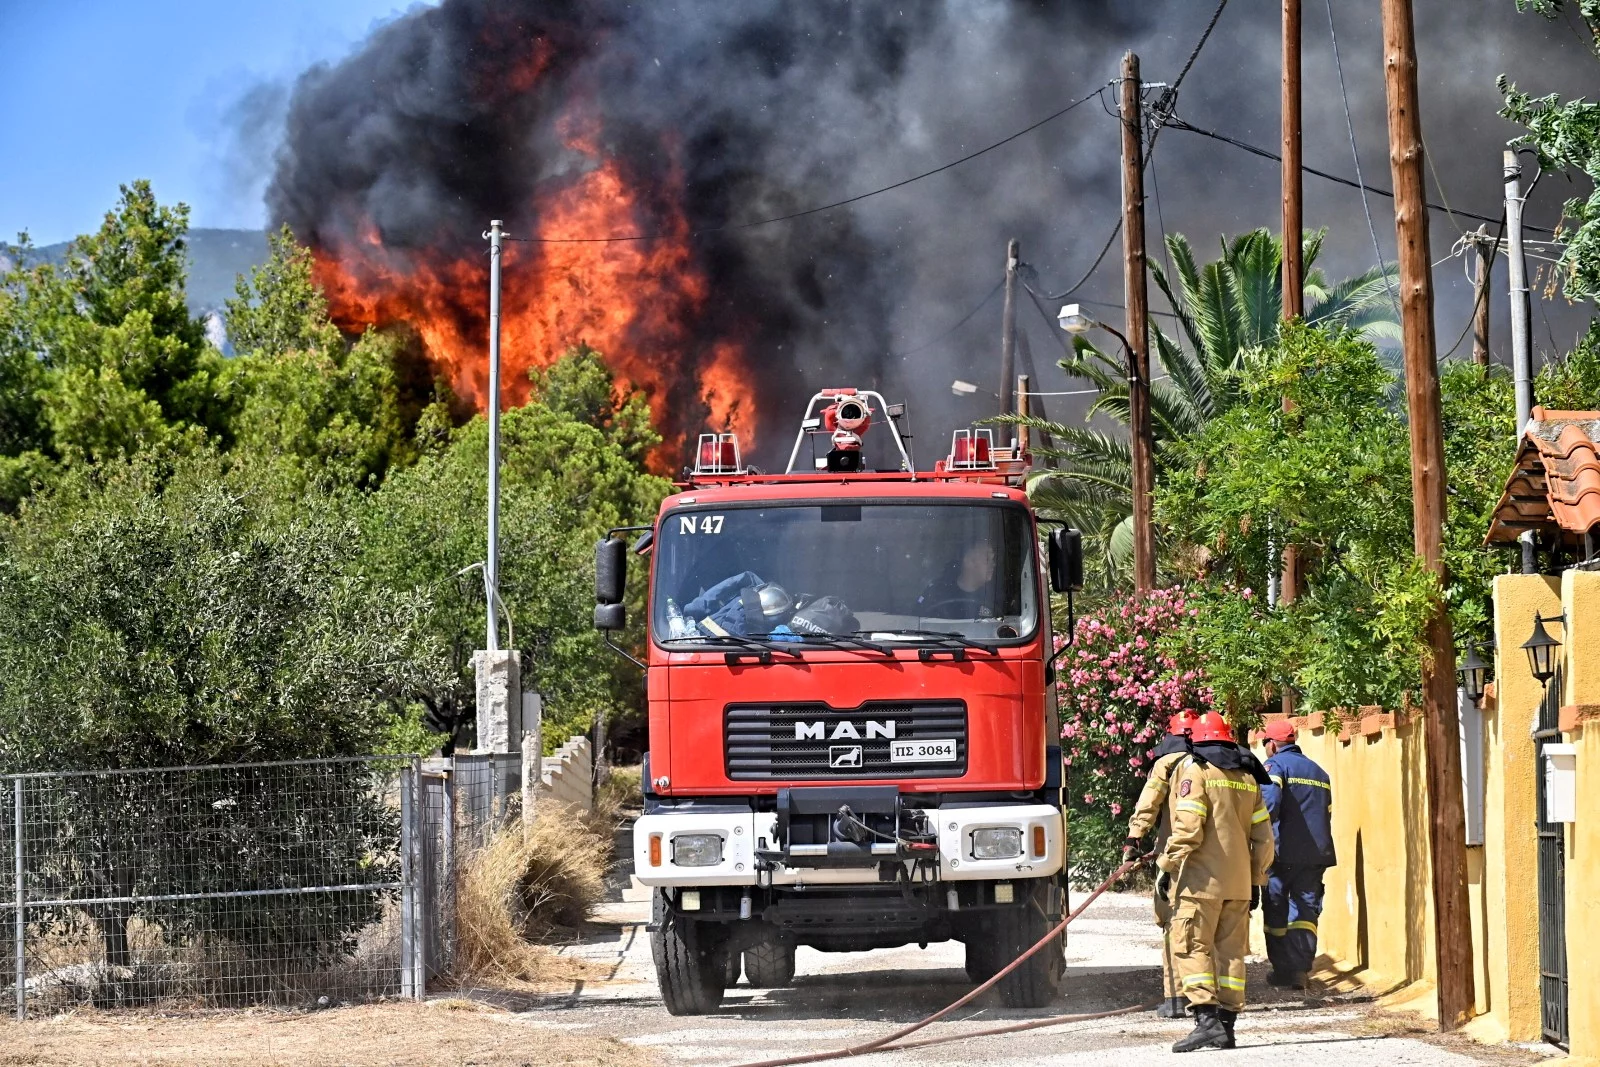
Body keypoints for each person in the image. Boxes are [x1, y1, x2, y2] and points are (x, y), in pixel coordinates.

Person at [1157, 712, 1275, 1053]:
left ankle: (1206, 1022)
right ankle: (1226, 1027)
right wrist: (1255, 879)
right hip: (1239, 886)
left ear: (1199, 741)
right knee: (1230, 955)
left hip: (1200, 884)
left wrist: (1167, 864)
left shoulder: (1198, 772)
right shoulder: (1248, 778)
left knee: (1191, 946)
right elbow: (1265, 838)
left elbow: (1189, 828)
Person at [1124, 710, 1200, 1018]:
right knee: (1205, 929)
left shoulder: (1166, 764)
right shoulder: (1219, 764)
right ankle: (1209, 999)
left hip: (1175, 858)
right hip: (1215, 862)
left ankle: (1175, 999)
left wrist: (1133, 839)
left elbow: (1149, 803)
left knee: (1172, 924)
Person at [1257, 719, 1336, 990]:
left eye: (1264, 743)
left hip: (1282, 854)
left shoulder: (1275, 766)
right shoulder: (1320, 772)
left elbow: (1268, 805)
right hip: (1315, 855)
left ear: (1272, 744)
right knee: (1305, 912)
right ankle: (1300, 971)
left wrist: (1255, 839)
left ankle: (1282, 971)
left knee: (1276, 909)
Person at [916, 539, 996, 617]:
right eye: (987, 559)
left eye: (993, 559)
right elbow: (917, 621)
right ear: (968, 561)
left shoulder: (995, 596)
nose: (993, 564)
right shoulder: (935, 593)